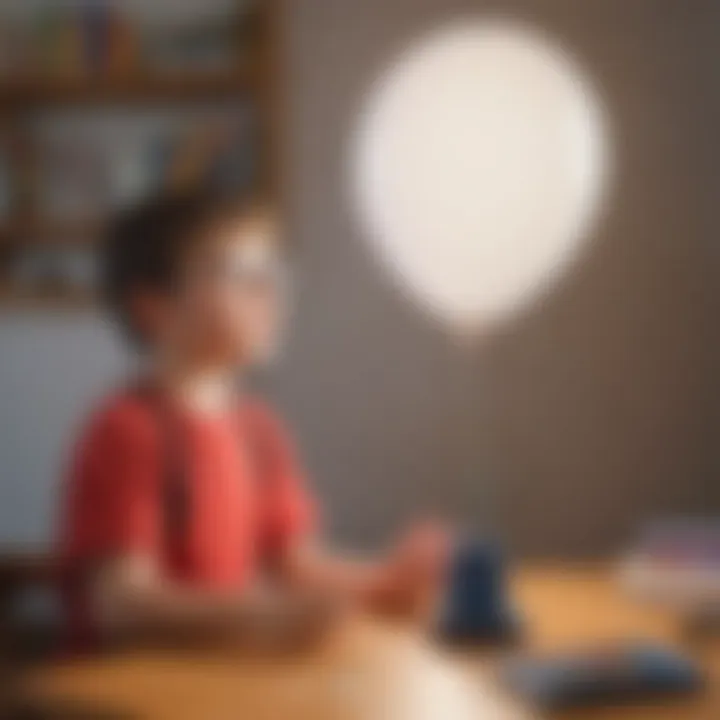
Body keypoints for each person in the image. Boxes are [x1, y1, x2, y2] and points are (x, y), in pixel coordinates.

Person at [57, 190, 449, 652]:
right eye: (241, 275)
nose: (269, 292)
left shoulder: (257, 429)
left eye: (272, 274)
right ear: (154, 307)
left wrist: (381, 584)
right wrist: (264, 613)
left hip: (218, 681)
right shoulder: (126, 431)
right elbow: (121, 607)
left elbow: (293, 563)